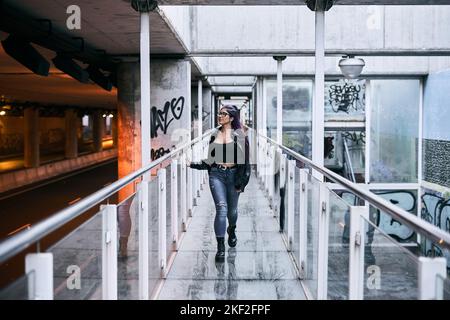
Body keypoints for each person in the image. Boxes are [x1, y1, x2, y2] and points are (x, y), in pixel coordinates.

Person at [188, 104, 251, 261]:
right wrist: (192, 164)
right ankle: (221, 247)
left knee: (232, 212)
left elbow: (246, 164)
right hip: (216, 175)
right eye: (219, 113)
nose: (220, 116)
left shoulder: (240, 135)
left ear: (231, 118)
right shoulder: (214, 134)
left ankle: (232, 228)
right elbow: (210, 160)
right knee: (221, 209)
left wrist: (241, 184)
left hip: (234, 176)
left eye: (223, 114)